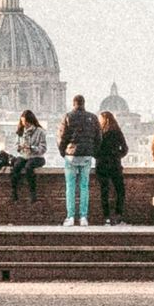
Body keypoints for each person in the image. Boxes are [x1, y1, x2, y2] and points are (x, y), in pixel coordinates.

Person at [58, 93, 100, 227]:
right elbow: (98, 138)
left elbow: (62, 137)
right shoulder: (93, 117)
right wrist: (93, 151)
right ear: (84, 103)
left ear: (73, 104)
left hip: (71, 155)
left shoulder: (67, 117)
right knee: (84, 186)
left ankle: (70, 217)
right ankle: (83, 217)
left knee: (70, 187)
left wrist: (63, 152)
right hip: (87, 155)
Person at [94, 110, 130, 224]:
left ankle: (107, 217)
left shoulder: (98, 133)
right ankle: (118, 215)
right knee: (120, 191)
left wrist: (99, 157)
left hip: (102, 165)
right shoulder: (117, 132)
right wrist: (117, 155)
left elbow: (94, 149)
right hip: (115, 164)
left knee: (104, 192)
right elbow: (125, 149)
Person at [8, 108, 47, 202]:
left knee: (29, 167)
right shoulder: (20, 131)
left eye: (25, 122)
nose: (24, 124)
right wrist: (19, 147)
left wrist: (31, 148)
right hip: (24, 156)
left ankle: (33, 194)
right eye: (22, 122)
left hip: (36, 157)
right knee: (16, 166)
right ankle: (14, 193)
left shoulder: (40, 131)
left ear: (30, 121)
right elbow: (16, 144)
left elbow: (43, 149)